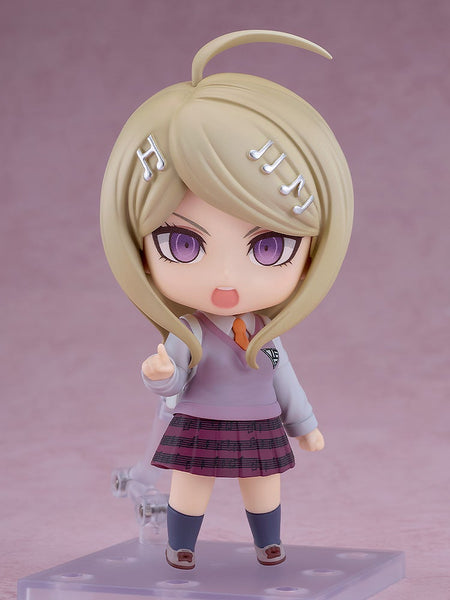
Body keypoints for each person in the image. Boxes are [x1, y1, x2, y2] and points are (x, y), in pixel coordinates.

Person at [100, 30, 353, 570]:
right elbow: (174, 377)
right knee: (189, 484)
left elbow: (284, 378)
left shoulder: (265, 334)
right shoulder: (190, 331)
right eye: (183, 244)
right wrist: (159, 374)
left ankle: (269, 542)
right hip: (200, 419)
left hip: (259, 421)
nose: (226, 278)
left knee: (263, 485)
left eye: (269, 246)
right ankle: (181, 544)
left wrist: (304, 424)